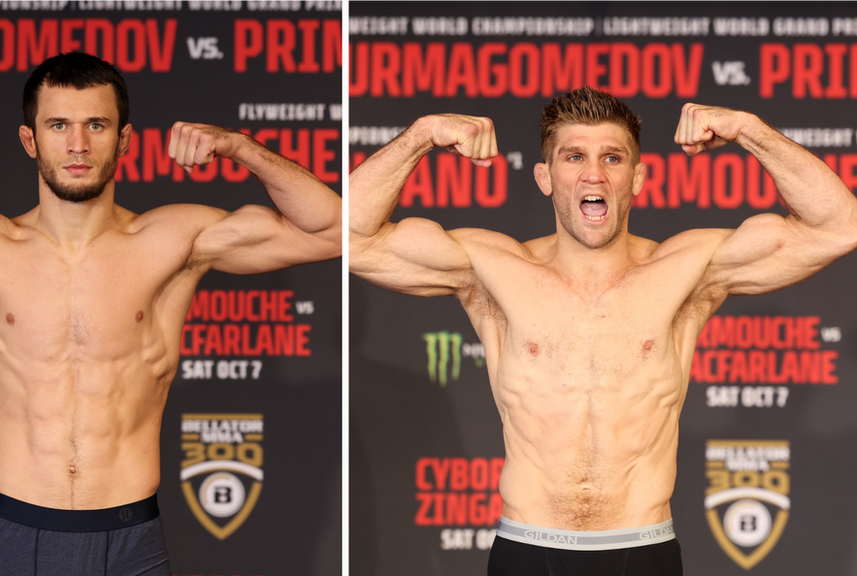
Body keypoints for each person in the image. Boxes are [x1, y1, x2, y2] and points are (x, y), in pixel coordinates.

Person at [0, 52, 341, 575]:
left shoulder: (171, 241)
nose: (78, 145)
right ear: (30, 140)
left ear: (122, 140)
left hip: (132, 542)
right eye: (59, 125)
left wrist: (240, 147)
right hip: (17, 537)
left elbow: (326, 229)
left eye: (96, 125)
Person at [349, 86, 857, 575]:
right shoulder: (493, 269)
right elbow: (352, 237)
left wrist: (749, 129)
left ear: (637, 178)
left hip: (643, 552)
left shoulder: (686, 269)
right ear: (545, 177)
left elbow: (838, 226)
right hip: (529, 550)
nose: (594, 174)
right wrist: (421, 135)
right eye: (575, 158)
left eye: (612, 158)